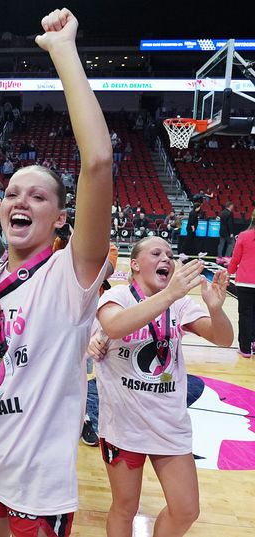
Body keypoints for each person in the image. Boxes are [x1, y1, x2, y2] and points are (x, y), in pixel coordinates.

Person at [0, 9, 113, 536]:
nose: (21, 200)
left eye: (38, 196)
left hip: (38, 484)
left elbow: (98, 161)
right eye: (12, 192)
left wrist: (64, 53)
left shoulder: (70, 274)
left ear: (60, 217)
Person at [90, 237, 233, 536]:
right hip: (124, 423)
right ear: (136, 264)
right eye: (156, 253)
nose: (165, 258)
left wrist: (216, 310)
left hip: (169, 423)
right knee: (125, 508)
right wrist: (169, 295)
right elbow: (115, 326)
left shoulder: (179, 303)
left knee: (186, 510)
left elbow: (222, 338)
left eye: (169, 254)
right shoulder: (118, 297)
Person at [228, 208, 255, 358]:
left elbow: (235, 259)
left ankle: (245, 348)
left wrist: (228, 273)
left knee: (245, 314)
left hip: (245, 282)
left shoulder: (244, 236)